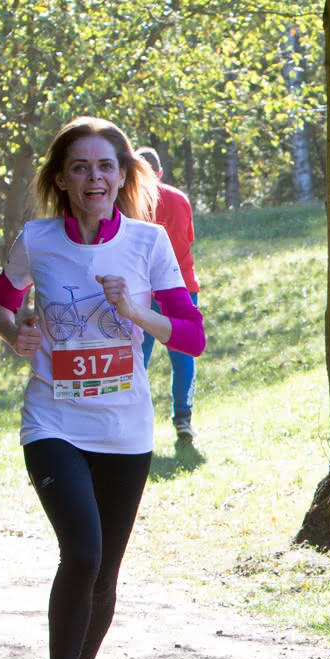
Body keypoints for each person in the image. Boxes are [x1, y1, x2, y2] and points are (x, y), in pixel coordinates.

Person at [0, 116, 205, 659]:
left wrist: (137, 311)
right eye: (79, 167)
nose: (93, 178)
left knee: (105, 569)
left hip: (125, 429)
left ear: (123, 175)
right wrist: (12, 331)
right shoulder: (38, 240)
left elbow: (190, 335)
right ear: (60, 178)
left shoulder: (149, 241)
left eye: (105, 166)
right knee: (80, 550)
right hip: (53, 421)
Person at [135, 146, 202, 443]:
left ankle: (136, 417)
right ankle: (183, 417)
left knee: (138, 356)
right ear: (160, 172)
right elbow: (187, 239)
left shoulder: (129, 203)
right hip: (182, 287)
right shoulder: (180, 199)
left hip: (143, 291)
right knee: (182, 354)